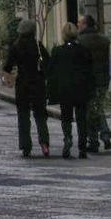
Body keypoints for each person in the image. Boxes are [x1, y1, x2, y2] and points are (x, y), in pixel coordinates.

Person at [2, 19, 50, 158]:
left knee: (23, 116)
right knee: (40, 116)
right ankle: (44, 144)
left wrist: (9, 79)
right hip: (38, 84)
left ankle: (26, 146)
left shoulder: (15, 47)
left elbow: (7, 67)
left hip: (23, 85)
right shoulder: (38, 46)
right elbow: (48, 63)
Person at [47, 21, 95, 159]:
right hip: (81, 89)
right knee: (81, 118)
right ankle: (82, 146)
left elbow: (51, 72)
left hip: (65, 90)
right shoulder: (84, 51)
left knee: (66, 117)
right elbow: (89, 71)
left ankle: (67, 139)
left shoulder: (57, 51)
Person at [78, 13, 111, 152]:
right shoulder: (104, 40)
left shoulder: (80, 41)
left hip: (89, 81)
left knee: (91, 110)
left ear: (85, 24)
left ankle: (101, 137)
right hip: (103, 78)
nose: (78, 25)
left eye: (80, 22)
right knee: (97, 108)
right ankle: (97, 140)